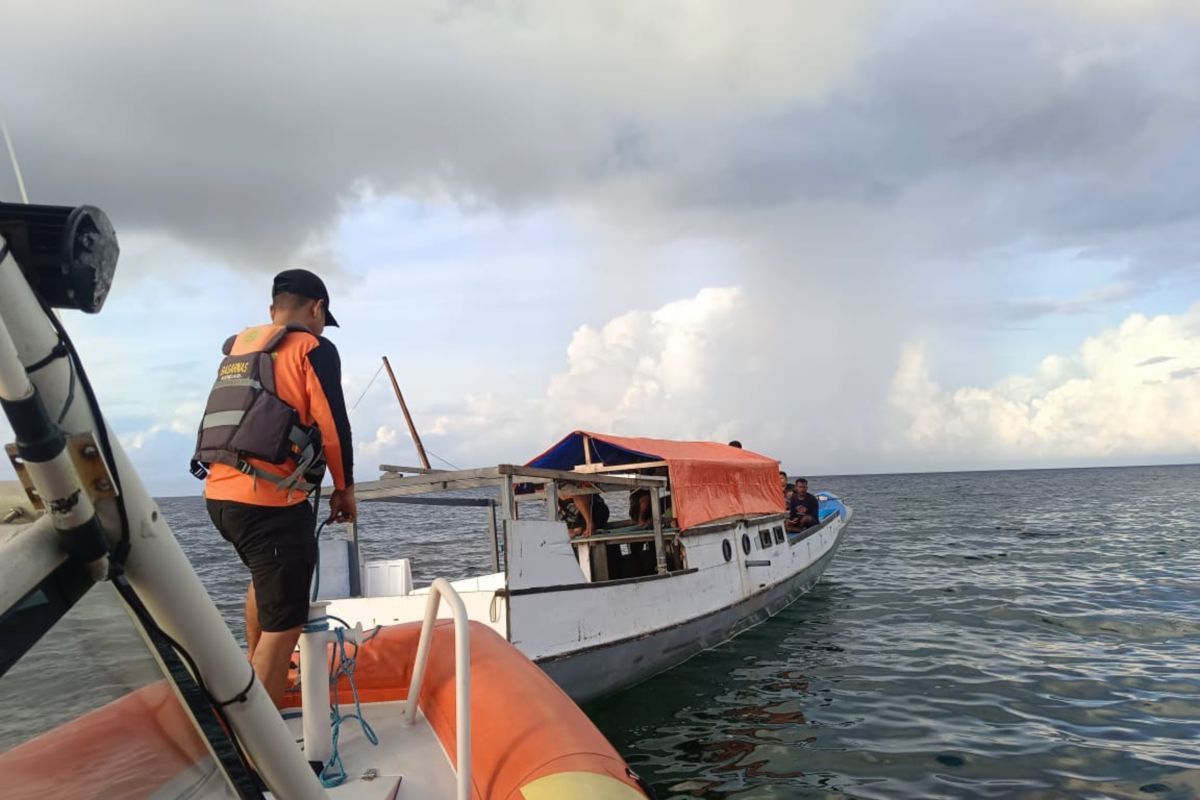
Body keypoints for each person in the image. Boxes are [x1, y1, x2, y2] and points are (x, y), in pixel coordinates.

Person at [194, 268, 356, 708]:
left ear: (272, 310)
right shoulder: (312, 347)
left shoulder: (241, 349)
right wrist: (345, 489)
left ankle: (264, 670)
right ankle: (260, 748)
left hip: (220, 496)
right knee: (286, 620)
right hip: (271, 504)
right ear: (316, 308)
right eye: (323, 316)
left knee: (264, 579)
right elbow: (333, 428)